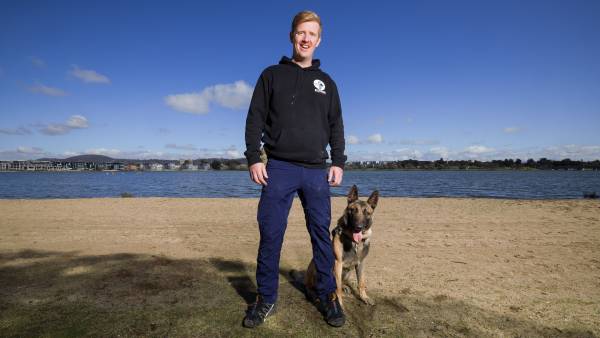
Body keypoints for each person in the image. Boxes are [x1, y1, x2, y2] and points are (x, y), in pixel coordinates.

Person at [242, 10, 347, 328]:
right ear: (292, 36)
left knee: (320, 235)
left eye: (312, 34)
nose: (306, 38)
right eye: (301, 32)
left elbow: (336, 125)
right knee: (271, 233)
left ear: (319, 40)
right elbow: (255, 118)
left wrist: (338, 161)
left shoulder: (327, 83)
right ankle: (266, 299)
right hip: (279, 168)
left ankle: (328, 296)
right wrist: (253, 158)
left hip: (316, 171)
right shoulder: (271, 75)